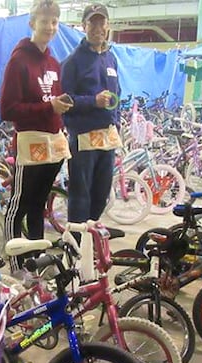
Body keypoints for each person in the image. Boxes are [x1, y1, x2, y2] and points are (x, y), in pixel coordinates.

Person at [0, 0, 73, 272]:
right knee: (19, 204)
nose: (50, 27)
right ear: (32, 23)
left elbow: (51, 100)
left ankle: (35, 259)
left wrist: (60, 106)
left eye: (54, 22)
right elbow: (7, 109)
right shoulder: (18, 60)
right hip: (29, 145)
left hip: (52, 145)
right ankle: (15, 263)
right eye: (45, 21)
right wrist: (48, 107)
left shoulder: (54, 62)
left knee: (39, 204)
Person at [61, 3, 121, 225]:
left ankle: (89, 237)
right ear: (84, 26)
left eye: (101, 23)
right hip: (84, 140)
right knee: (80, 196)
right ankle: (76, 245)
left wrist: (117, 123)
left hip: (107, 139)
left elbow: (118, 95)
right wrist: (93, 102)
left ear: (107, 26)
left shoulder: (111, 59)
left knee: (102, 195)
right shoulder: (72, 62)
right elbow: (64, 101)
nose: (97, 28)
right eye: (92, 23)